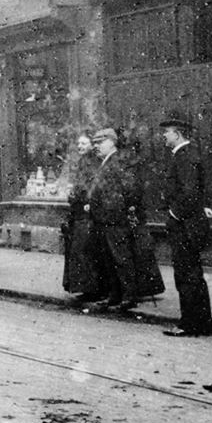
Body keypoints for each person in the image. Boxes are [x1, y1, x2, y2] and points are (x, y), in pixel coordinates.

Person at [158, 111, 212, 337]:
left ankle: (190, 324)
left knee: (186, 276)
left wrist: (173, 214)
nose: (164, 136)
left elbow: (189, 193)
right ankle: (201, 323)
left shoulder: (185, 156)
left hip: (186, 227)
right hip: (189, 225)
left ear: (178, 134)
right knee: (192, 275)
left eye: (167, 132)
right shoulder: (185, 155)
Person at [87, 128, 138, 311]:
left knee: (121, 258)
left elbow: (129, 191)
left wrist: (111, 212)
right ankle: (115, 295)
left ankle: (128, 296)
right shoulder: (106, 162)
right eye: (94, 143)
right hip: (104, 220)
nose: (96, 147)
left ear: (111, 142)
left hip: (115, 220)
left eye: (100, 143)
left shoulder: (118, 163)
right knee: (110, 259)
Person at [61, 131, 107, 302]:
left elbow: (92, 187)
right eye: (79, 144)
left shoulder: (93, 163)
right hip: (79, 211)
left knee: (86, 250)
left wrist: (77, 196)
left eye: (84, 144)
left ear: (92, 146)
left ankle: (93, 289)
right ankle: (86, 287)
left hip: (86, 212)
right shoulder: (83, 162)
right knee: (81, 250)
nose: (80, 147)